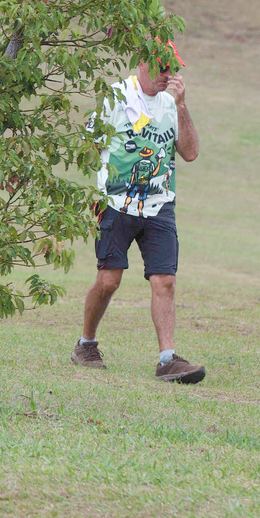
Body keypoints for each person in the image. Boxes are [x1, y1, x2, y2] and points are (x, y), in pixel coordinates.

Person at [73, 43, 203, 383]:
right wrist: (104, 181)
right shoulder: (116, 97)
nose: (167, 75)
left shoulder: (172, 104)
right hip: (115, 205)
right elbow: (89, 145)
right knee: (109, 281)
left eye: (172, 68)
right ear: (142, 63)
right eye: (162, 67)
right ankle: (86, 344)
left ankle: (167, 360)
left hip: (160, 206)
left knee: (166, 280)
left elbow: (190, 153)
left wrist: (183, 106)